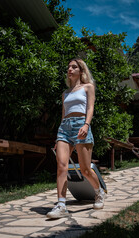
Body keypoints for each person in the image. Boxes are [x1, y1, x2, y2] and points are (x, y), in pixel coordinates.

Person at [46, 58, 105, 219]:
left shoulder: (88, 87)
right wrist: (58, 134)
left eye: (74, 67)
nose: (70, 69)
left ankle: (98, 192)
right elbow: (64, 114)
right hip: (64, 128)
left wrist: (86, 125)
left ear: (81, 70)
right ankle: (61, 204)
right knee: (61, 166)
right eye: (68, 67)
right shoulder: (65, 93)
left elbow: (90, 107)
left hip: (81, 125)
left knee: (85, 169)